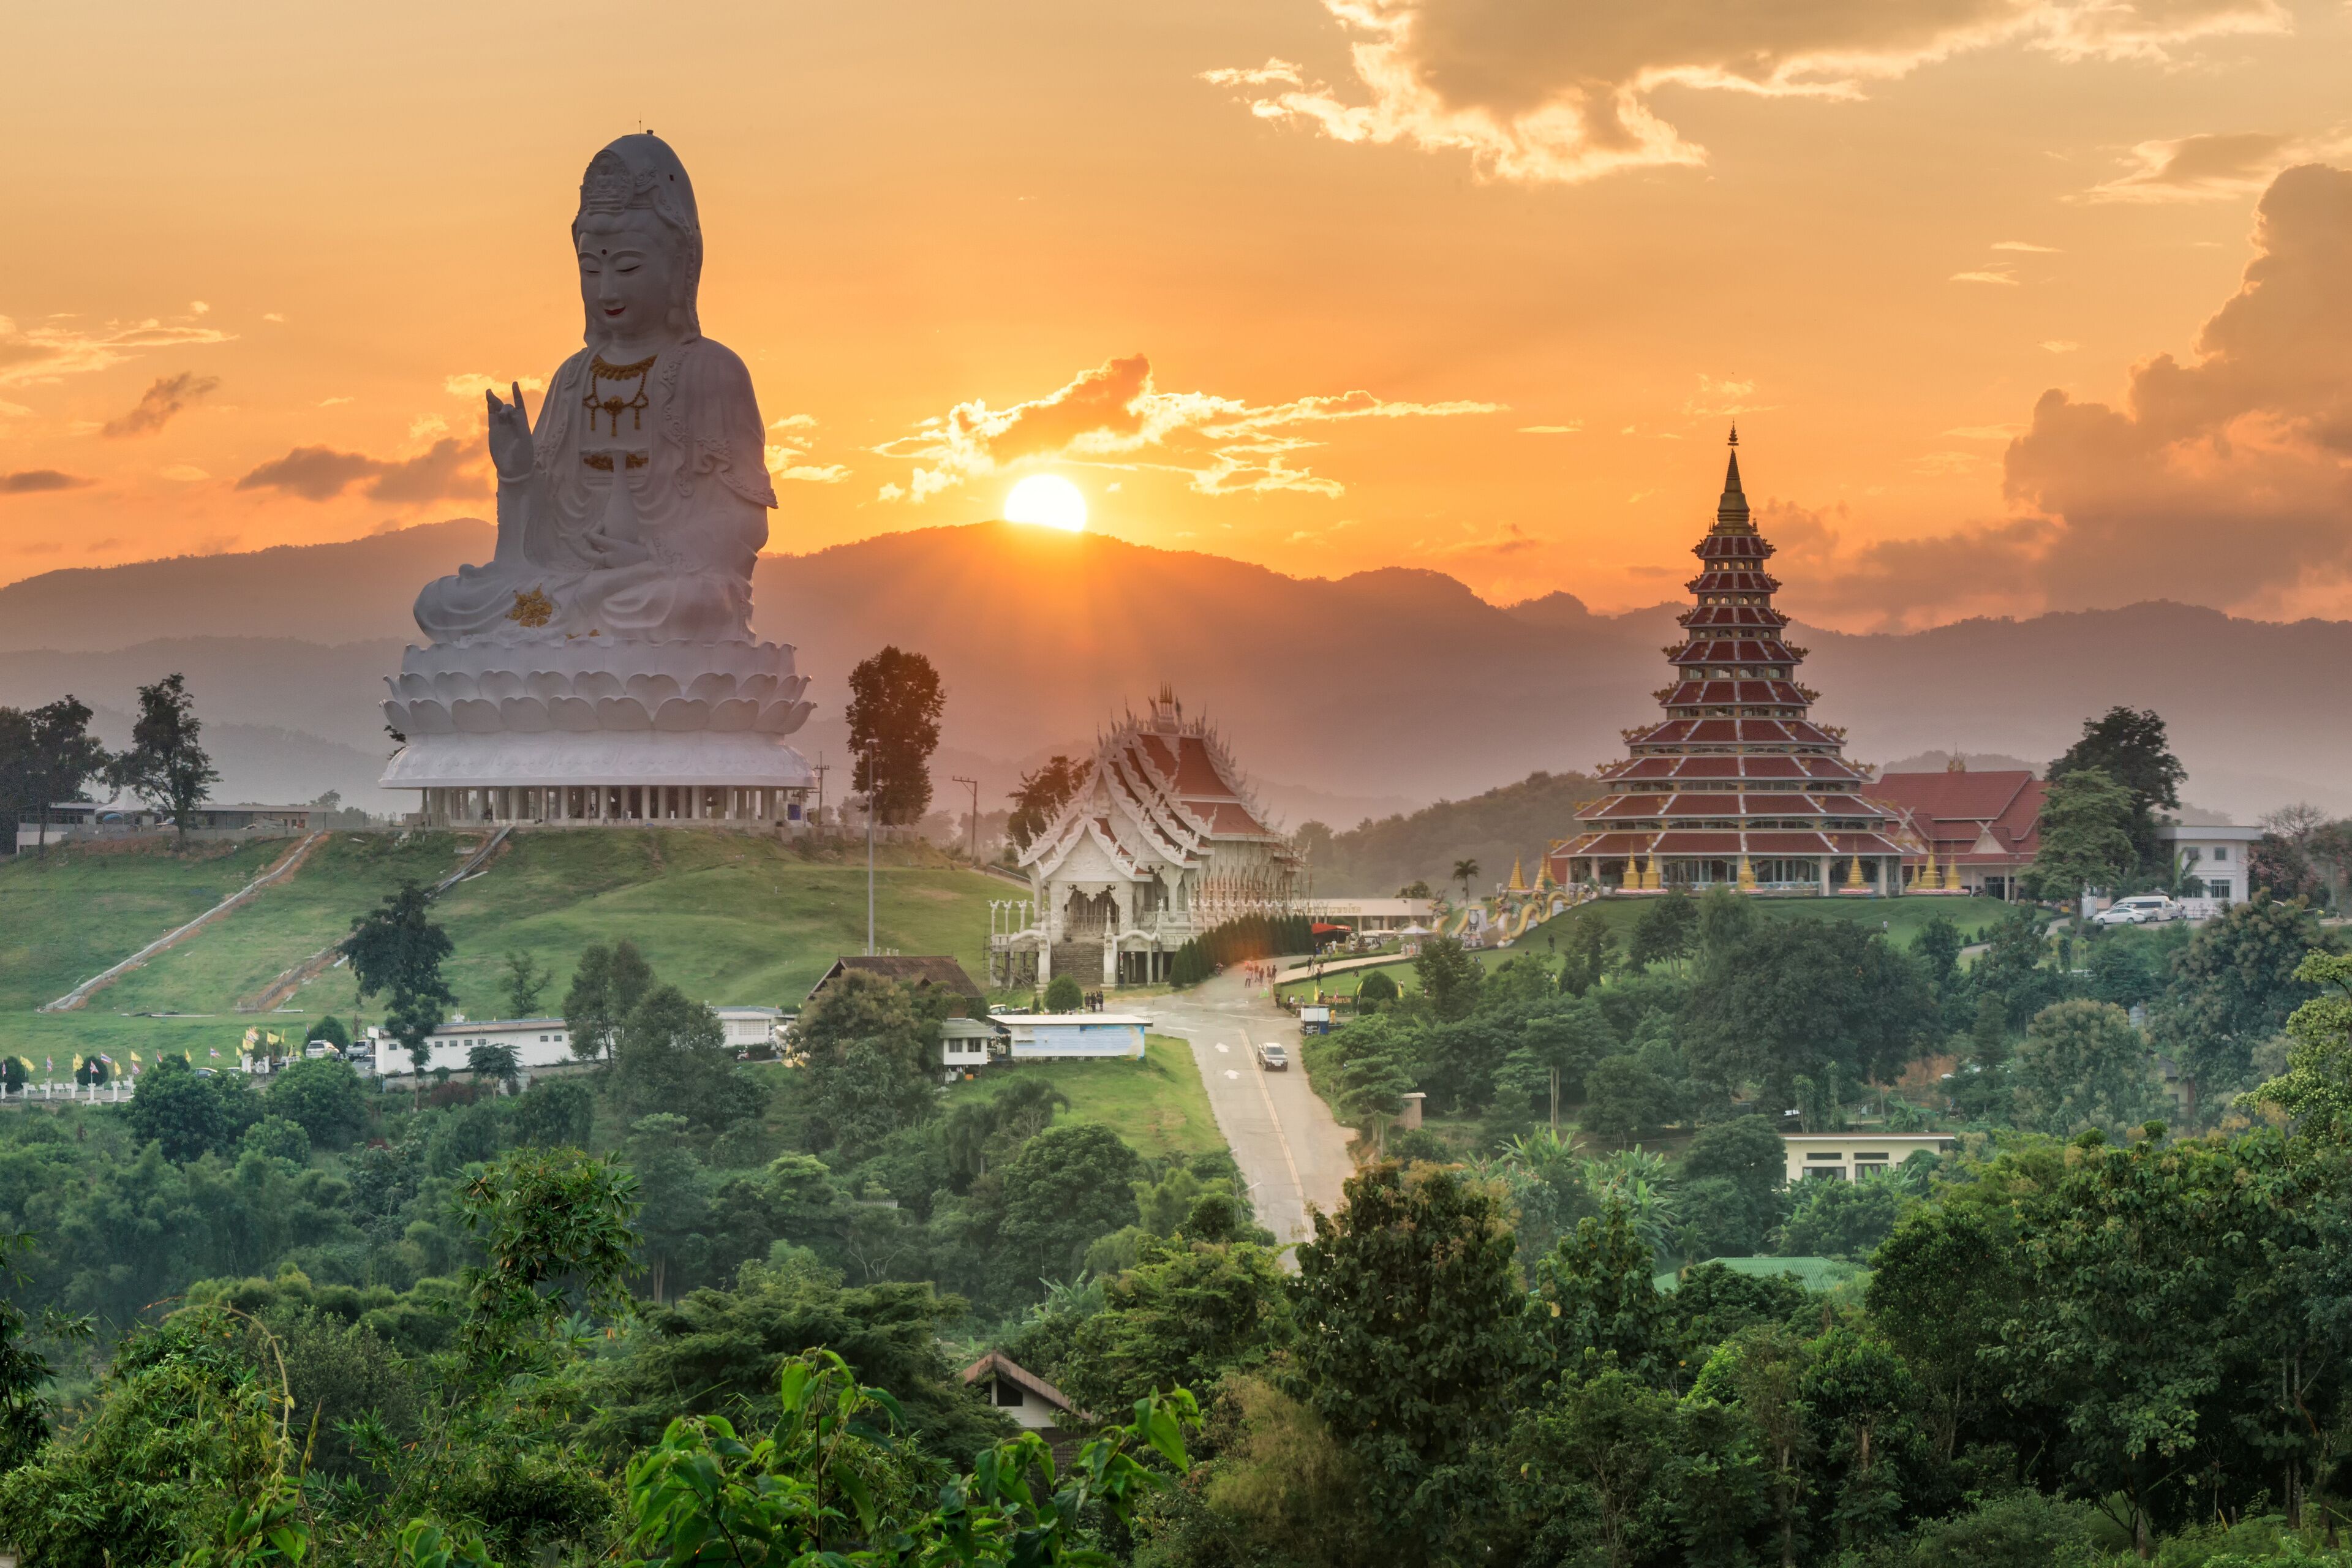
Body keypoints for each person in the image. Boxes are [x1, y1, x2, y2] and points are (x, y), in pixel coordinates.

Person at [413, 134, 776, 646]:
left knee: (689, 605)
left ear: (679, 267)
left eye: (627, 268)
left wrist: (655, 558)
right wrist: (517, 471)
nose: (606, 289)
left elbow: (744, 521)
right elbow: (535, 538)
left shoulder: (711, 371)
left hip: (654, 584)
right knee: (443, 604)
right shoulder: (572, 377)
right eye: (591, 269)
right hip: (564, 581)